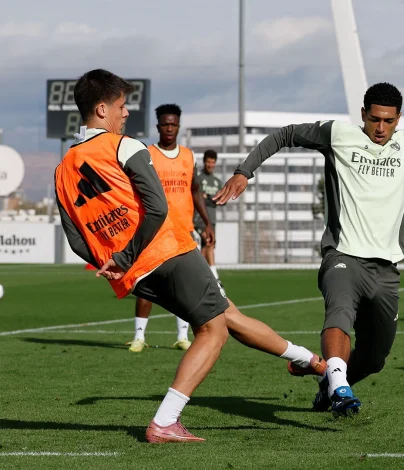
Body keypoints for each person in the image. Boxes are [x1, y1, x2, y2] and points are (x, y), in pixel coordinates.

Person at [54, 69, 325, 443]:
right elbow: (157, 208)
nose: (126, 113)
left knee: (225, 313)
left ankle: (307, 360)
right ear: (101, 109)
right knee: (213, 329)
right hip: (168, 251)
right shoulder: (126, 146)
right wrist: (129, 253)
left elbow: (75, 238)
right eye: (121, 106)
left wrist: (115, 262)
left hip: (137, 274)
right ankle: (165, 421)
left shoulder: (61, 170)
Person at [215, 82, 404, 415]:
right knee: (339, 314)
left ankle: (328, 381)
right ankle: (339, 385)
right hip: (343, 256)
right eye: (375, 119)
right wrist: (244, 171)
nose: (381, 128)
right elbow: (286, 133)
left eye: (389, 121)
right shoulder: (337, 134)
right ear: (363, 114)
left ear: (399, 119)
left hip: (386, 269)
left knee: (375, 359)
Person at [127, 104, 215, 352]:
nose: (169, 128)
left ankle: (181, 336)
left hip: (183, 231)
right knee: (147, 283)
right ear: (158, 126)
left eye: (173, 124)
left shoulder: (188, 155)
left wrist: (206, 223)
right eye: (165, 124)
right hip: (154, 231)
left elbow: (195, 190)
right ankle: (139, 337)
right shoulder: (147, 154)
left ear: (178, 126)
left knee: (185, 286)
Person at [194, 150, 223, 281]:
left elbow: (222, 200)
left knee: (208, 247)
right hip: (200, 219)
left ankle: (201, 276)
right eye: (208, 162)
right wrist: (211, 199)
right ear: (204, 162)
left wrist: (209, 197)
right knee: (207, 244)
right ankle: (214, 277)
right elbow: (196, 198)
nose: (210, 164)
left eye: (213, 162)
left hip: (212, 220)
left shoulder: (217, 181)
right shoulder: (199, 179)